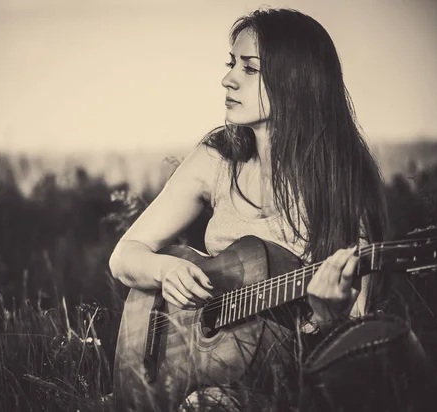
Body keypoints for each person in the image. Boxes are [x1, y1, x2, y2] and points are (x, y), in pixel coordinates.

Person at [109, 7, 388, 411]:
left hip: (294, 381)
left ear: (294, 81)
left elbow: (355, 341)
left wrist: (331, 317)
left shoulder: (342, 181)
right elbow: (124, 256)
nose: (228, 78)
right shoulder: (217, 159)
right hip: (205, 378)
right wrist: (166, 270)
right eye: (232, 63)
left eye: (250, 68)